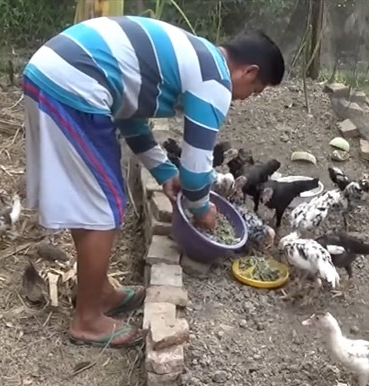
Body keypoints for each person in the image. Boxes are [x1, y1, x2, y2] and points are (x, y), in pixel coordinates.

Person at [22, 16, 285, 348]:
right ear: (249, 72)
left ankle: (99, 293)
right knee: (102, 204)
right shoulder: (214, 80)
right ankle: (87, 320)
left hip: (61, 74)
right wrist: (200, 207)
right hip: (72, 84)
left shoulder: (196, 56)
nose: (247, 98)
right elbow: (195, 166)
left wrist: (163, 173)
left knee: (97, 198)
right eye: (255, 91)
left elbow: (130, 118)